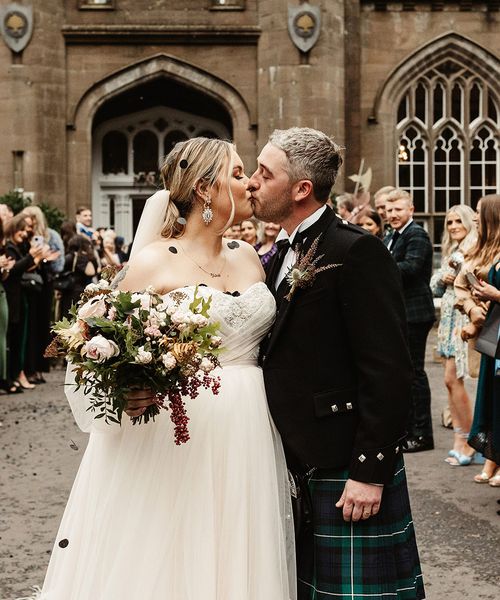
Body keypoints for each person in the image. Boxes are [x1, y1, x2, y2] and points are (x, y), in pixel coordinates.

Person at [39, 137, 295, 599]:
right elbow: (100, 347)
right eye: (237, 173)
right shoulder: (152, 262)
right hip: (178, 433)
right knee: (170, 550)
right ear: (203, 188)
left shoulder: (249, 257)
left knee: (239, 550)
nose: (249, 182)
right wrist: (128, 390)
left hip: (248, 431)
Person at [249, 128, 424, 600]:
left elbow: (388, 368)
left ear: (301, 189)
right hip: (291, 455)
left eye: (264, 174)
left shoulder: (354, 250)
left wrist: (369, 471)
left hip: (342, 458)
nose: (251, 182)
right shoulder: (278, 253)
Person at [385, 188, 435, 453]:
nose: (393, 215)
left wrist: (378, 266)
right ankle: (407, 431)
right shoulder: (393, 235)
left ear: (411, 210)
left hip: (416, 313)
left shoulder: (417, 234)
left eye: (398, 210)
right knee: (406, 373)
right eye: (390, 210)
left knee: (415, 373)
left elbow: (411, 269)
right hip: (401, 313)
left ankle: (423, 434)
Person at [455, 194, 500, 486]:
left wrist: (494, 296)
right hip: (492, 331)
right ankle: (493, 459)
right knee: (493, 396)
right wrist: (475, 308)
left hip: (495, 328)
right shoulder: (480, 248)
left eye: (477, 216)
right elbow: (462, 282)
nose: (473, 221)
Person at [430, 205, 479, 465]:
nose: (453, 226)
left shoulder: (473, 248)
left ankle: (472, 440)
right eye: (449, 222)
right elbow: (433, 284)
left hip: (462, 319)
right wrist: (444, 278)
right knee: (449, 381)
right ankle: (460, 437)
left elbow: (475, 280)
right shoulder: (452, 250)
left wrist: (454, 278)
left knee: (453, 378)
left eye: (459, 220)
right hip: (447, 323)